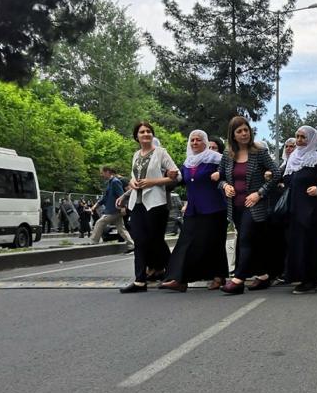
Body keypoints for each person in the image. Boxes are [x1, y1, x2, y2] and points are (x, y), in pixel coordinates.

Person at [159, 130, 228, 292]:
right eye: (192, 140)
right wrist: (170, 176)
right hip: (193, 209)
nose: (195, 143)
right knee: (185, 243)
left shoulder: (216, 159)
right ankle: (179, 279)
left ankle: (219, 276)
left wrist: (221, 173)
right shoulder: (188, 162)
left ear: (205, 142)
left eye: (198, 140)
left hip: (214, 208)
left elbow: (229, 173)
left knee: (214, 243)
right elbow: (179, 180)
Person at [216, 116, 278, 294]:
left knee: (245, 240)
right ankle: (264, 276)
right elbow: (219, 177)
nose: (244, 134)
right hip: (235, 206)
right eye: (239, 131)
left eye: (246, 130)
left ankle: (238, 279)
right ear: (233, 135)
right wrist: (225, 186)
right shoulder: (228, 155)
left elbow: (276, 173)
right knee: (254, 241)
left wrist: (259, 193)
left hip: (254, 205)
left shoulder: (259, 152)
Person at [120, 122, 179, 293]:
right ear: (136, 136)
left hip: (155, 203)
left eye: (148, 131)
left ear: (152, 135)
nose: (145, 134)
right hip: (137, 203)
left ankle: (175, 275)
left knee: (156, 241)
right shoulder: (136, 154)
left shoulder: (161, 153)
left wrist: (152, 182)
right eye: (142, 132)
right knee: (139, 240)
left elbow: (175, 175)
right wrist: (132, 182)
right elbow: (134, 176)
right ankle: (140, 281)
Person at [282, 126, 317, 294]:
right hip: (296, 206)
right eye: (297, 136)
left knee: (312, 243)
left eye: (303, 137)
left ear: (312, 139)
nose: (299, 140)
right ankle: (302, 276)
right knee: (298, 242)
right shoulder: (293, 157)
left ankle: (312, 279)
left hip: (314, 208)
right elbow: (287, 178)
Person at [91, 167, 134, 248]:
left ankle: (93, 241)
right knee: (121, 229)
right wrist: (96, 205)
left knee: (100, 222)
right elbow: (105, 197)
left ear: (107, 172)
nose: (101, 175)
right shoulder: (110, 182)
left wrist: (123, 207)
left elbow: (121, 195)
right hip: (115, 209)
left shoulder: (115, 182)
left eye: (102, 173)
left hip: (114, 210)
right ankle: (132, 245)